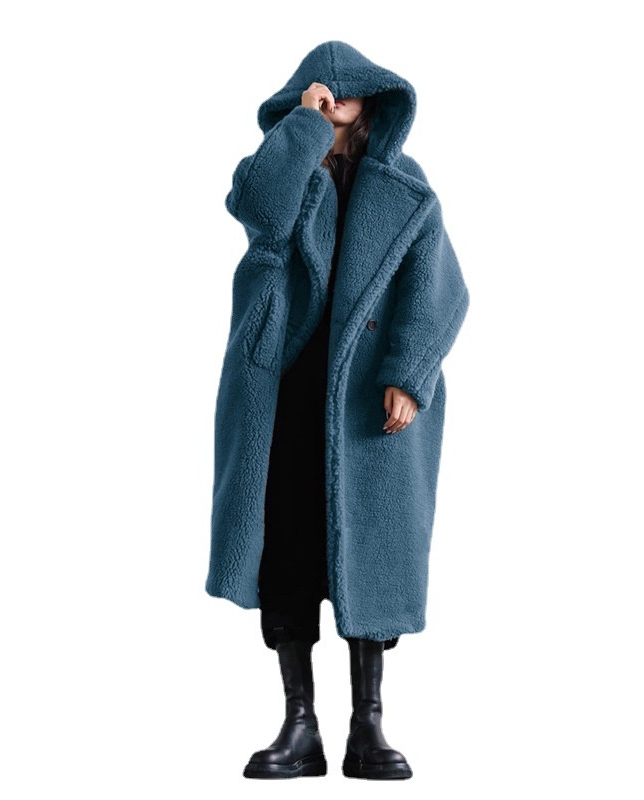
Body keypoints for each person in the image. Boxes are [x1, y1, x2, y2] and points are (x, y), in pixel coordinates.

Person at [206, 41, 470, 781]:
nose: (338, 94)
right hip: (282, 384)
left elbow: (438, 287)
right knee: (286, 544)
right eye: (324, 89)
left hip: (367, 395)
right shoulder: (282, 166)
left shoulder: (408, 186)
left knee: (371, 547)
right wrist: (303, 127)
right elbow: (261, 211)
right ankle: (299, 726)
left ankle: (368, 724)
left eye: (351, 90)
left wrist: (408, 375)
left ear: (375, 101)